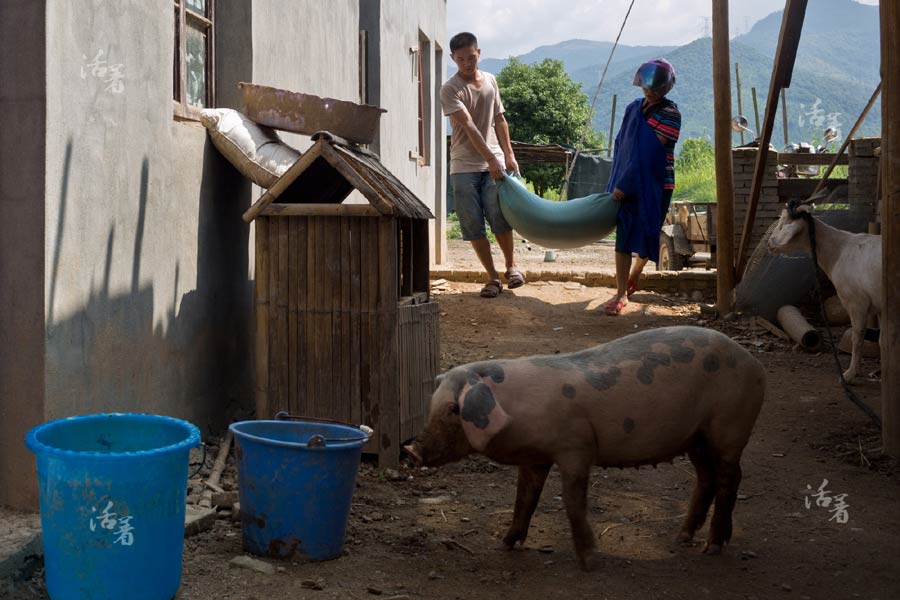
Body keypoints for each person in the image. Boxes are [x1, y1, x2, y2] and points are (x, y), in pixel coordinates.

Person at [441, 32, 524, 298]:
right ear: (453, 58)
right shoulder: (450, 88)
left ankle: (512, 268)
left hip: (495, 163)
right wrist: (490, 159)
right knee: (472, 224)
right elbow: (468, 126)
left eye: (471, 57)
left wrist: (508, 155)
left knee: (500, 217)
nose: (467, 63)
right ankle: (492, 277)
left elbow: (500, 119)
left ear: (479, 53)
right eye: (461, 59)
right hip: (463, 166)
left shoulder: (490, 80)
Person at [603, 59, 681, 316]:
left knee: (649, 234)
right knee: (624, 236)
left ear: (666, 89)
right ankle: (621, 294)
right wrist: (617, 182)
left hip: (657, 184)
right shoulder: (633, 109)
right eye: (648, 88)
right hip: (626, 182)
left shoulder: (670, 114)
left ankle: (636, 273)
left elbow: (649, 155)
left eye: (657, 90)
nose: (651, 93)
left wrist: (626, 183)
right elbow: (622, 148)